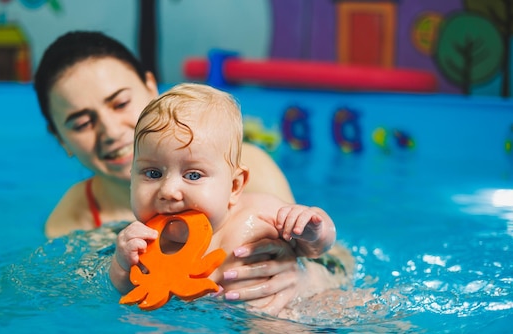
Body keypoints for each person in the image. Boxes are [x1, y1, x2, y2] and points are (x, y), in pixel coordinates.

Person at [33, 30, 351, 316]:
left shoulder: (249, 171)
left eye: (120, 103)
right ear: (60, 138)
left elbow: (331, 256)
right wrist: (116, 266)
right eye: (82, 123)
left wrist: (307, 277)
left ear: (149, 87)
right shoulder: (70, 222)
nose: (112, 131)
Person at [110, 83, 352, 318]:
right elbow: (129, 290)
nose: (169, 190)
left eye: (193, 175)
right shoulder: (143, 245)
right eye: (153, 173)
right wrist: (122, 264)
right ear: (132, 178)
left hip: (292, 309)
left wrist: (312, 229)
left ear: (235, 186)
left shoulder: (258, 213)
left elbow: (318, 249)